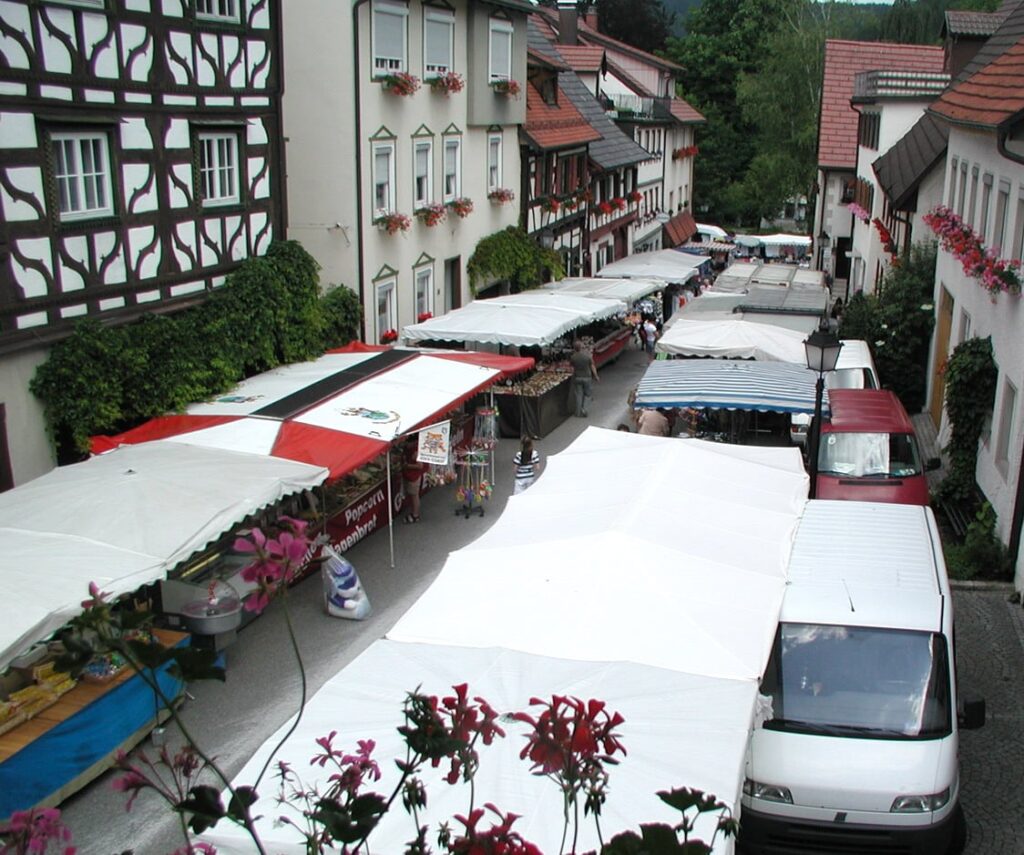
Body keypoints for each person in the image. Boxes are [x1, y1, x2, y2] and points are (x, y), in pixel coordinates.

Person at [569, 340, 599, 417]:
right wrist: (596, 376)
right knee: (587, 395)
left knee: (578, 395)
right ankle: (584, 409)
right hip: (587, 378)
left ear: (575, 348)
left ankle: (578, 412)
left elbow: (571, 368)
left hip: (577, 378)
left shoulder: (573, 357)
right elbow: (592, 366)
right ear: (581, 347)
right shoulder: (587, 356)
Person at [401, 442, 425, 522]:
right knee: (412, 495)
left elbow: (420, 466)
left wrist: (407, 466)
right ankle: (414, 512)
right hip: (409, 476)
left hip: (413, 478)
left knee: (414, 496)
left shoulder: (415, 451)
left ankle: (415, 515)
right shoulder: (407, 448)